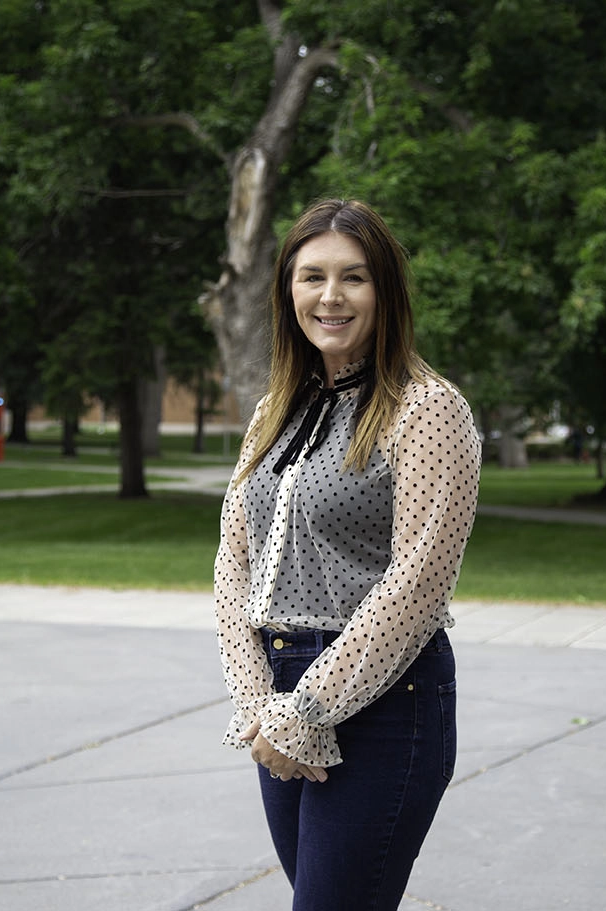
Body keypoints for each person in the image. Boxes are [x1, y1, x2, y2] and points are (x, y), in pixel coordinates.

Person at [213, 198, 481, 911]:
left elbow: (418, 583)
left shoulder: (427, 409)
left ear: (385, 291)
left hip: (387, 702)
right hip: (279, 694)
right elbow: (231, 561)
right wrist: (259, 699)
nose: (330, 296)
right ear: (287, 291)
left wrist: (309, 706)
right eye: (312, 277)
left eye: (353, 277)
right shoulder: (278, 406)